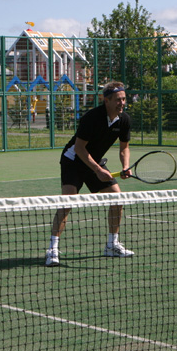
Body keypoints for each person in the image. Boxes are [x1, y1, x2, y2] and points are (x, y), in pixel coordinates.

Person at [45, 81, 133, 267]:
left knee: (117, 199)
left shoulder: (124, 119)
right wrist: (98, 170)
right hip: (73, 161)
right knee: (68, 202)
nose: (122, 103)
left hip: (95, 161)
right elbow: (79, 148)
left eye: (124, 99)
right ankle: (52, 249)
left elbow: (124, 148)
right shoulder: (91, 118)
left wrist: (125, 166)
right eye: (118, 100)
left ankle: (112, 245)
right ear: (106, 100)